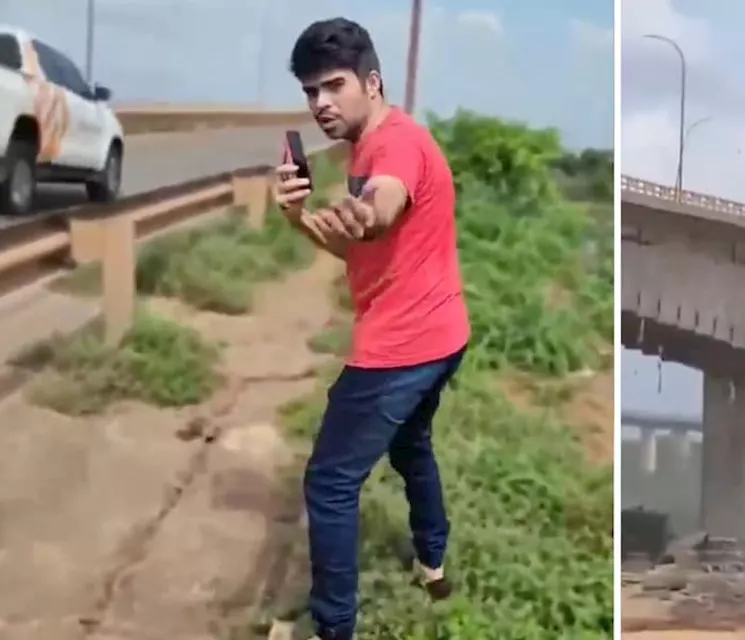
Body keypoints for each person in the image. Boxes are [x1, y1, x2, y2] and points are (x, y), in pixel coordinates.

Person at [269, 17, 468, 640]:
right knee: (412, 449)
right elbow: (362, 247)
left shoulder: (393, 146)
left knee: (329, 482)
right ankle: (433, 566)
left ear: (372, 82)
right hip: (442, 334)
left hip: (403, 348)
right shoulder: (369, 144)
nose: (321, 104)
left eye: (332, 86)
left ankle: (334, 630)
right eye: (310, 93)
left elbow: (384, 202)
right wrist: (301, 217)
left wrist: (370, 216)